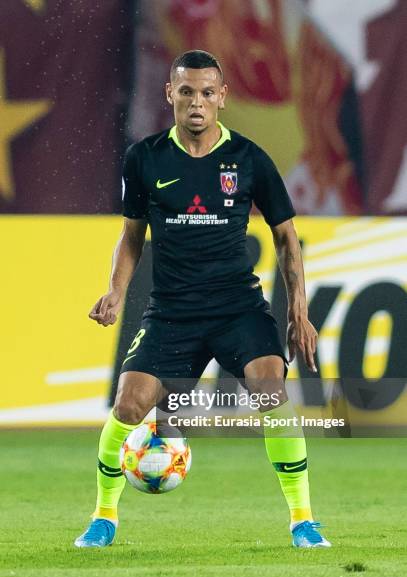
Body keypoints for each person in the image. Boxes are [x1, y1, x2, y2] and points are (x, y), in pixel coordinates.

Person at [75, 50, 331, 549]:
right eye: (187, 91)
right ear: (170, 93)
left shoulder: (250, 159)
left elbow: (286, 236)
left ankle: (303, 520)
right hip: (171, 311)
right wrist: (115, 292)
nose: (197, 102)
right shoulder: (145, 158)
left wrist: (298, 310)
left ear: (222, 98)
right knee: (128, 404)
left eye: (207, 92)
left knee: (269, 388)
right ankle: (103, 518)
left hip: (238, 307)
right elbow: (131, 236)